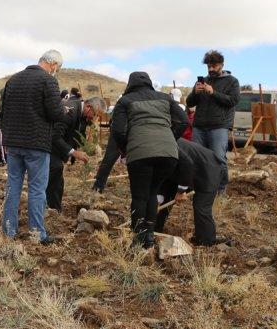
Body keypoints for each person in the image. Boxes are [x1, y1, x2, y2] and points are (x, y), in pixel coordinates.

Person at [111, 71, 187, 248]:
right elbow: (183, 121)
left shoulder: (125, 101)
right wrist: (169, 139)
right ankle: (150, 236)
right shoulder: (165, 98)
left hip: (140, 153)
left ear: (130, 84)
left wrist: (125, 149)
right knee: (152, 192)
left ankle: (138, 238)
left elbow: (118, 130)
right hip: (168, 155)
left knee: (139, 195)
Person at [0, 50, 67, 243]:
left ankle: (8, 232)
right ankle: (37, 234)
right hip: (36, 144)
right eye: (58, 68)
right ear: (53, 64)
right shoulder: (48, 81)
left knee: (13, 186)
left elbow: (4, 112)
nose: (56, 71)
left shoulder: (13, 80)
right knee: (37, 189)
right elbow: (55, 113)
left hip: (13, 143)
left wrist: (6, 141)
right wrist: (64, 110)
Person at [185, 50, 239, 194]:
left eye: (214, 66)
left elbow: (233, 101)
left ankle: (220, 191)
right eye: (208, 66)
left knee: (218, 159)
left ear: (221, 65)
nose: (211, 69)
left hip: (219, 126)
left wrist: (213, 93)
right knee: (196, 159)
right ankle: (199, 189)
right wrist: (195, 93)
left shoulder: (232, 81)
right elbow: (189, 103)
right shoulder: (202, 81)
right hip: (199, 126)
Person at [155, 139, 224, 247]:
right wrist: (158, 201)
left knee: (201, 207)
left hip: (208, 168)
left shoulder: (166, 147)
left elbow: (187, 166)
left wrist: (181, 191)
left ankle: (206, 241)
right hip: (181, 171)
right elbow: (163, 178)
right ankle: (155, 230)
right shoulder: (157, 148)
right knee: (164, 200)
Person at [47, 97, 107, 211]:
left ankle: (54, 208)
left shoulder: (83, 116)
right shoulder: (69, 112)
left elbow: (77, 134)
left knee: (58, 180)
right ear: (88, 107)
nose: (95, 119)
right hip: (48, 148)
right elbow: (55, 136)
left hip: (58, 151)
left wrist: (88, 146)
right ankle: (49, 209)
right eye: (95, 115)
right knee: (55, 172)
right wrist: (73, 152)